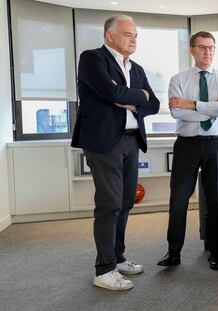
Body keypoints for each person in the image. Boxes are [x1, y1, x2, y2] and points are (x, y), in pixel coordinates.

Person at [71, 14, 160, 291]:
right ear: (109, 35)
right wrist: (135, 97)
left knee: (125, 202)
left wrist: (133, 99)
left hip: (131, 141)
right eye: (127, 34)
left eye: (135, 36)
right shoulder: (92, 59)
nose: (133, 40)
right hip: (103, 142)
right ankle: (104, 270)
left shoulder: (136, 68)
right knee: (109, 204)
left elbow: (153, 103)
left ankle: (117, 258)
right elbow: (113, 95)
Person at [157, 31, 218, 270]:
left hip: (216, 144)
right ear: (191, 50)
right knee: (178, 201)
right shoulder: (178, 80)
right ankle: (173, 252)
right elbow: (177, 113)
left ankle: (214, 252)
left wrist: (191, 104)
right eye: (202, 47)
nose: (207, 52)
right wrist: (213, 107)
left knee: (214, 201)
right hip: (187, 145)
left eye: (211, 48)